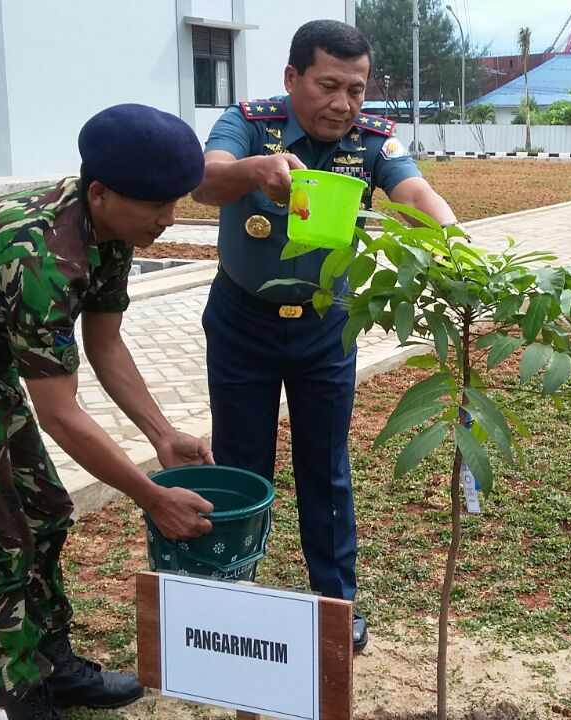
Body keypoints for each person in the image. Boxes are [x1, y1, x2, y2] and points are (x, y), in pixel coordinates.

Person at [0, 105, 216, 720]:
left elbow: (105, 345)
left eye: (177, 201)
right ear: (100, 193)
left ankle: (54, 663)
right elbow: (60, 412)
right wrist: (151, 497)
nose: (169, 219)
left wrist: (162, 437)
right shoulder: (42, 255)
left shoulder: (113, 231)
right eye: (156, 205)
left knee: (44, 513)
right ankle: (15, 693)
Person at [190, 19, 459, 654]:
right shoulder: (249, 122)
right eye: (328, 85)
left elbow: (414, 188)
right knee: (240, 461)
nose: (343, 104)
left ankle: (335, 601)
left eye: (357, 89)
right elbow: (206, 178)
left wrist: (454, 240)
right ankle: (235, 598)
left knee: (325, 464)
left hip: (326, 328)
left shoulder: (371, 140)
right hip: (241, 323)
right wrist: (258, 170)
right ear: (293, 79)